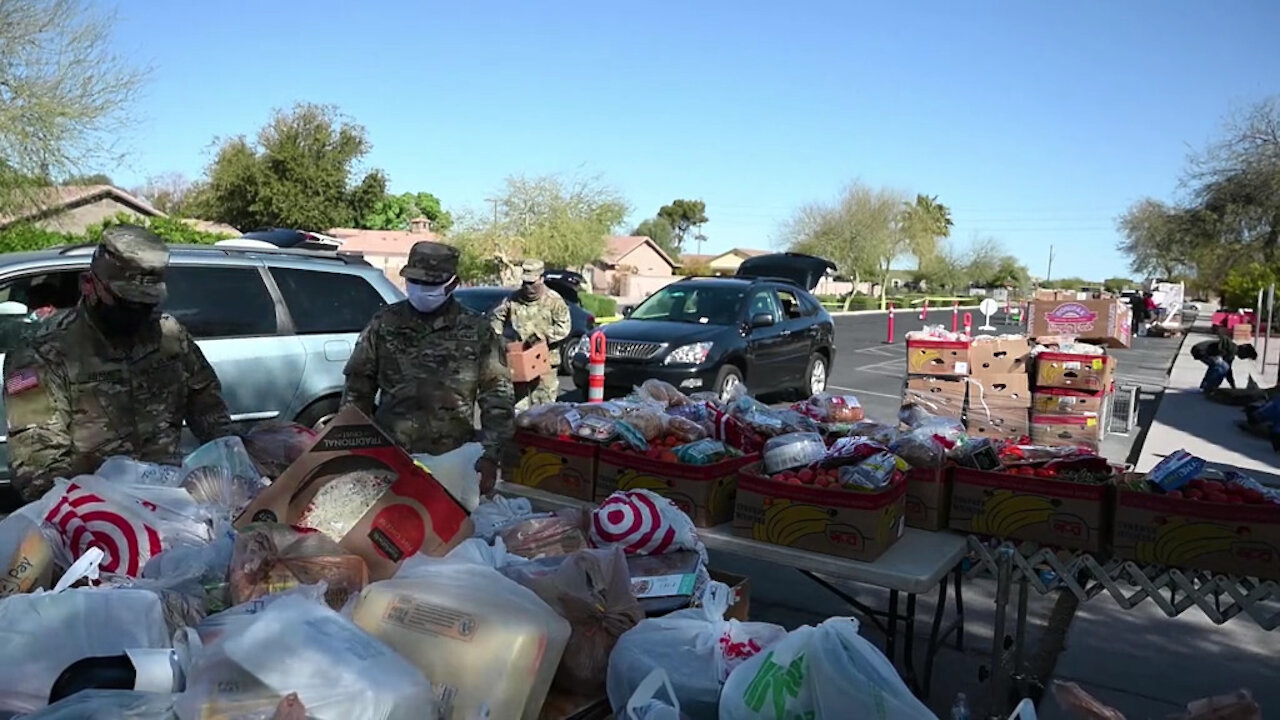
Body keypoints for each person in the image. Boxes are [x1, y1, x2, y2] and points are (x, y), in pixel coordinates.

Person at [2, 225, 233, 502]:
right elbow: (37, 461)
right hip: (89, 517)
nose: (138, 313)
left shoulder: (169, 337)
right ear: (90, 284)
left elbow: (211, 414)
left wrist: (236, 465)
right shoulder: (41, 353)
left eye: (147, 303)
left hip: (171, 508)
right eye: (127, 302)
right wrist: (93, 513)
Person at [342, 241, 514, 492]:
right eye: (415, 281)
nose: (421, 289)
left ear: (453, 284)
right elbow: (358, 387)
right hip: (390, 455)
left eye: (431, 284)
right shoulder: (384, 323)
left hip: (452, 460)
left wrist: (490, 455)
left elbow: (497, 395)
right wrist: (351, 444)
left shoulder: (476, 330)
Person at [490, 259, 571, 411]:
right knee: (518, 407)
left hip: (545, 363)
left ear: (541, 279)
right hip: (519, 361)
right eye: (525, 283)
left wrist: (542, 337)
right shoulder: (512, 299)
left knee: (543, 408)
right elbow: (496, 319)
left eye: (532, 283)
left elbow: (564, 327)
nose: (528, 287)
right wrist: (500, 340)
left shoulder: (554, 301)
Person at [1190, 336, 1257, 392]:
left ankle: (1205, 385)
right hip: (1200, 351)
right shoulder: (1232, 349)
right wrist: (1233, 386)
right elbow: (1228, 370)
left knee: (1218, 366)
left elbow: (1229, 372)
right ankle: (1209, 387)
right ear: (1244, 352)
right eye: (1246, 356)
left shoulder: (1232, 349)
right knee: (1222, 367)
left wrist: (1232, 386)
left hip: (1198, 350)